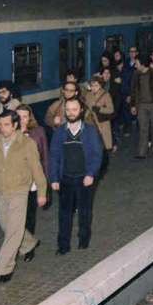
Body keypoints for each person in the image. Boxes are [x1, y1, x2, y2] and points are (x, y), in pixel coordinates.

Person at [0, 111, 47, 283]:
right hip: (0, 191)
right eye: (1, 124)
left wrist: (42, 192)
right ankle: (29, 244)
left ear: (15, 125)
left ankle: (4, 267)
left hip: (19, 191)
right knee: (8, 226)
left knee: (13, 231)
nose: (2, 128)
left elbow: (37, 169)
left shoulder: (27, 143)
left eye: (6, 124)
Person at [48, 98, 103, 255]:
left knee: (84, 211)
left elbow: (96, 155)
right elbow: (54, 156)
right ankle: (63, 245)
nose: (71, 113)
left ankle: (83, 239)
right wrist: (54, 178)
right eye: (68, 110)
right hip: (65, 179)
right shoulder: (60, 132)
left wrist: (91, 174)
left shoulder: (90, 131)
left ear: (81, 111)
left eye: (74, 109)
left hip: (84, 179)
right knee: (64, 214)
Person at [15, 105, 48, 235]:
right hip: (13, 180)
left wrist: (44, 187)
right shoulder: (7, 132)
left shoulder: (38, 132)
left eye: (25, 117)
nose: (22, 120)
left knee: (29, 213)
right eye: (19, 117)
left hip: (32, 181)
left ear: (30, 118)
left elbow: (45, 157)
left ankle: (29, 246)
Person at [130, 56, 153, 159]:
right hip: (141, 105)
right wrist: (133, 105)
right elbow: (133, 91)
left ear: (143, 64)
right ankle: (142, 152)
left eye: (137, 63)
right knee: (143, 128)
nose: (135, 65)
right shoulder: (136, 74)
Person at [84, 75, 114, 174]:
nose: (94, 87)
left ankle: (102, 165)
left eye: (96, 85)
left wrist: (99, 109)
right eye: (92, 85)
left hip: (102, 123)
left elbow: (111, 109)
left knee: (102, 145)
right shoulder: (88, 95)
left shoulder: (106, 95)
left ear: (100, 85)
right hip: (91, 122)